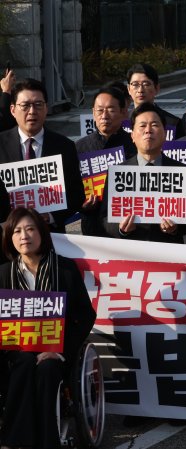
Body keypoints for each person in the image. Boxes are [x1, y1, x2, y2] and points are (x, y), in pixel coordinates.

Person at [0, 207, 96, 449]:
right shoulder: (4, 273)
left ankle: (46, 441)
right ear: (10, 238)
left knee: (47, 368)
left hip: (56, 350)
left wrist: (60, 350)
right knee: (21, 364)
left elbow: (85, 315)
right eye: (18, 231)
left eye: (31, 229)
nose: (24, 236)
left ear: (42, 233)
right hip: (16, 352)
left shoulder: (64, 269)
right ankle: (16, 440)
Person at [101, 103, 186, 243]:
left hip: (170, 252)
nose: (148, 130)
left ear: (164, 134)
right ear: (132, 135)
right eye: (142, 125)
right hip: (132, 251)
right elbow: (104, 218)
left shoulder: (182, 171)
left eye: (155, 125)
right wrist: (121, 228)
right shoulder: (119, 172)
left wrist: (176, 228)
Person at [0, 78, 83, 233]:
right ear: (12, 110)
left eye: (38, 105)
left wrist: (50, 216)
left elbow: (76, 194)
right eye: (25, 106)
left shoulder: (64, 146)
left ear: (46, 108)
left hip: (51, 236)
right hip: (9, 237)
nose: (32, 111)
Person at [75, 86, 135, 238]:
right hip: (92, 227)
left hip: (129, 225)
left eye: (110, 110)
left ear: (123, 112)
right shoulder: (80, 147)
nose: (104, 116)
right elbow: (72, 187)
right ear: (93, 113)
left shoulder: (135, 145)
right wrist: (80, 204)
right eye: (99, 110)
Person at [126, 64, 184, 138]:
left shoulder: (173, 123)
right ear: (128, 89)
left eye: (146, 84)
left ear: (156, 88)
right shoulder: (120, 122)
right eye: (135, 84)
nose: (140, 90)